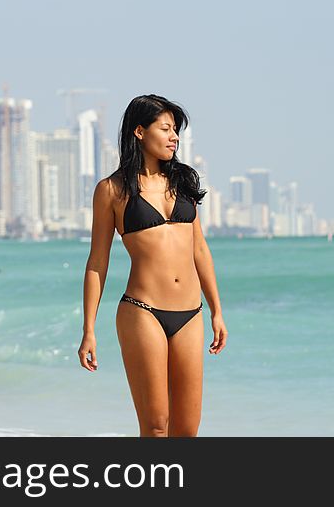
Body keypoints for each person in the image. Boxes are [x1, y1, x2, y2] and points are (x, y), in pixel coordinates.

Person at [78, 94, 228, 437]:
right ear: (140, 132)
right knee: (156, 427)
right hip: (142, 311)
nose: (174, 136)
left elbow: (200, 250)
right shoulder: (112, 190)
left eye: (176, 129)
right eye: (166, 128)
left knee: (187, 430)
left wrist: (217, 309)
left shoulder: (184, 182)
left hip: (191, 313)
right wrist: (89, 329)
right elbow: (97, 262)